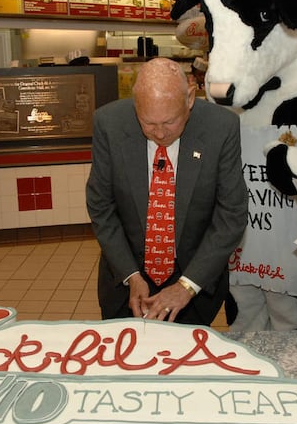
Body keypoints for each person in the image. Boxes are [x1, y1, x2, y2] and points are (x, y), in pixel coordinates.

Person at [86, 57, 247, 325]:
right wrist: (131, 276)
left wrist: (186, 287)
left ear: (190, 99)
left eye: (170, 122)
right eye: (148, 123)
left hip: (192, 280)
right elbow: (101, 206)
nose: (159, 133)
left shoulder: (221, 127)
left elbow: (231, 215)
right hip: (126, 276)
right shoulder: (109, 124)